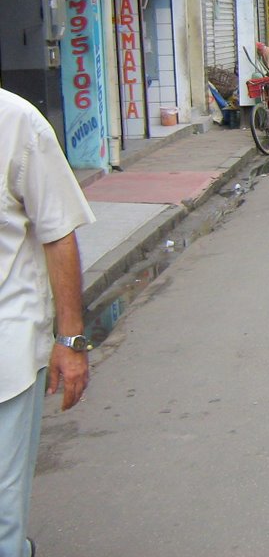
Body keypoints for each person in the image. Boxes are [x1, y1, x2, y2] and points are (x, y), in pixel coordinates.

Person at [1, 87, 96, 557]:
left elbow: (58, 233)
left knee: (1, 512)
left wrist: (70, 341)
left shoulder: (17, 122)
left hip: (7, 352)